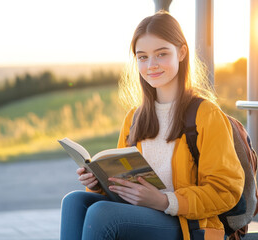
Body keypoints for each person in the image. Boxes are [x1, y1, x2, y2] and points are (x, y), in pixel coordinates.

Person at [60, 11, 244, 240]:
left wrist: (165, 201)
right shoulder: (134, 117)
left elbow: (226, 191)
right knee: (74, 201)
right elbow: (122, 182)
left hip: (189, 225)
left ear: (182, 52)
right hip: (141, 214)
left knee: (102, 213)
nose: (151, 65)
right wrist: (99, 183)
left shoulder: (206, 114)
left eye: (161, 54)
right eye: (143, 57)